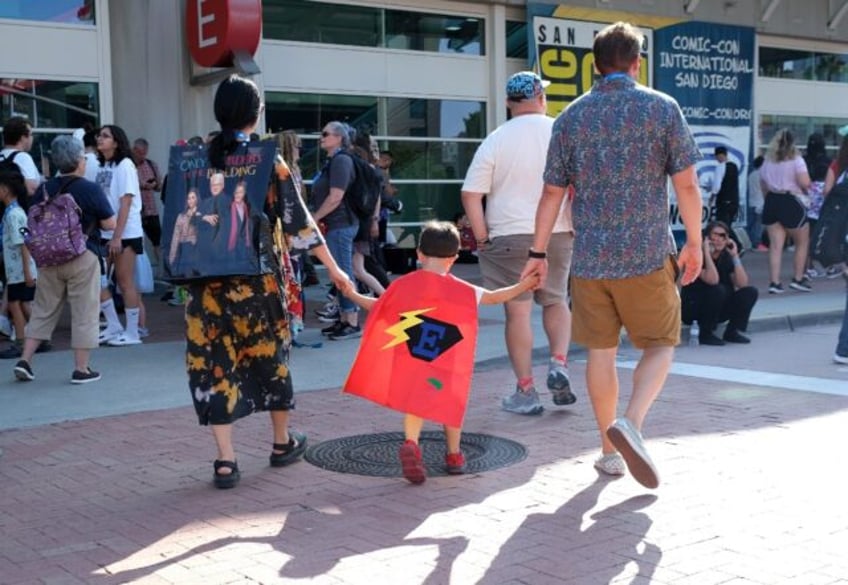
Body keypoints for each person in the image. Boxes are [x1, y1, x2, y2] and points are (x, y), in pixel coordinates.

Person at [522, 22, 703, 489]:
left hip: (590, 260)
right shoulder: (662, 109)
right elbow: (685, 183)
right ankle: (633, 423)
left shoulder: (571, 119)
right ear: (637, 62)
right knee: (661, 343)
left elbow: (551, 194)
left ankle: (609, 452)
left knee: (600, 353)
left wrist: (537, 252)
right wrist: (696, 241)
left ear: (595, 65)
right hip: (646, 253)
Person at [187, 74, 349, 489]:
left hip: (204, 283)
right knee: (270, 356)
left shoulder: (194, 158)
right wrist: (334, 270)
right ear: (255, 113)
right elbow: (299, 226)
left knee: (213, 363)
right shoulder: (266, 159)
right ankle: (281, 443)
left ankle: (225, 460)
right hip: (256, 282)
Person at [340, 221, 540, 484]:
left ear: (419, 254)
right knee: (451, 405)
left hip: (413, 358)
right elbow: (496, 297)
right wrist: (524, 285)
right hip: (448, 362)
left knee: (416, 402)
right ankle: (454, 455)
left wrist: (351, 294)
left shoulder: (404, 285)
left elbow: (377, 306)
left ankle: (412, 441)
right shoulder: (464, 289)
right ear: (454, 258)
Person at [462, 70, 576, 415]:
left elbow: (471, 194)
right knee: (556, 301)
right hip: (556, 232)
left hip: (508, 234)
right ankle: (558, 363)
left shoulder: (496, 139)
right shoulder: (561, 131)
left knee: (518, 312)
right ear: (541, 98)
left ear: (509, 103)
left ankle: (526, 391)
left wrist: (482, 237)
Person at [12, 135, 116, 383]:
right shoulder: (89, 188)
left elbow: (29, 225)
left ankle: (25, 360)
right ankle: (81, 369)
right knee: (84, 311)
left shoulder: (44, 189)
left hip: (48, 259)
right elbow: (110, 223)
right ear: (79, 160)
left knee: (43, 310)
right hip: (82, 255)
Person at [95, 124, 146, 346]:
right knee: (97, 280)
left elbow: (126, 203)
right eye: (99, 135)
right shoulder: (103, 165)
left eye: (105, 136)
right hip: (105, 232)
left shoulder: (125, 165)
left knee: (125, 283)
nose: (100, 139)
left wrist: (117, 236)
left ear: (116, 141)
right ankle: (114, 325)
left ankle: (133, 332)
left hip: (125, 232)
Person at [311, 121, 361, 340]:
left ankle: (352, 321)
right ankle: (343, 319)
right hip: (335, 225)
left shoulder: (341, 161)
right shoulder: (333, 161)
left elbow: (336, 197)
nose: (321, 137)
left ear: (339, 138)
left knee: (343, 273)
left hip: (341, 225)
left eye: (325, 134)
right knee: (338, 273)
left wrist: (315, 217)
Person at [682, 221, 758, 345]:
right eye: (715, 235)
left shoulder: (726, 257)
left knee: (750, 292)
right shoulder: (694, 257)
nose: (719, 239)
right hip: (693, 310)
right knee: (718, 289)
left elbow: (742, 284)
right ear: (706, 238)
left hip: (717, 309)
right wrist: (706, 253)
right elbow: (713, 280)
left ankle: (732, 332)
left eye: (723, 236)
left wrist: (735, 256)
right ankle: (705, 334)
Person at [759, 129, 812, 294]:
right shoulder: (797, 160)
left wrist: (769, 198)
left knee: (775, 246)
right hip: (790, 200)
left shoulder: (767, 162)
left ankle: (774, 282)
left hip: (772, 201)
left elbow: (763, 185)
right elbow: (805, 182)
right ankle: (798, 278)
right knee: (802, 242)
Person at [0, 166, 37, 359]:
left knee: (17, 304)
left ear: (5, 189)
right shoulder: (15, 212)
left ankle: (24, 341)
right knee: (21, 304)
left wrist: (27, 271)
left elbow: (24, 243)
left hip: (19, 271)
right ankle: (36, 338)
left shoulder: (14, 215)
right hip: (18, 270)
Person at [132, 138, 163, 270]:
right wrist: (141, 185)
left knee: (158, 242)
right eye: (139, 153)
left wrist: (155, 184)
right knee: (135, 243)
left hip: (150, 210)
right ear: (134, 150)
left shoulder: (151, 165)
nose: (142, 156)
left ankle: (163, 270)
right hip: (134, 211)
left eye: (144, 153)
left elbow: (160, 186)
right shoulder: (128, 165)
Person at [1, 116, 42, 197]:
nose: (32, 138)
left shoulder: (1, 156)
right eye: (31, 135)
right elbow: (31, 189)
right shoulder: (23, 157)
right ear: (22, 138)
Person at [168, 187, 201, 277]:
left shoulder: (201, 214)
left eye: (193, 197)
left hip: (196, 251)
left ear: (197, 199)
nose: (190, 200)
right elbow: (176, 237)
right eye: (188, 198)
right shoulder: (181, 216)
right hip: (183, 252)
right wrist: (172, 257)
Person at [710, 146, 740, 231]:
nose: (716, 159)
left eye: (716, 157)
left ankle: (737, 243)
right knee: (728, 226)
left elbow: (716, 187)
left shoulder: (720, 167)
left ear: (720, 155)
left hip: (723, 202)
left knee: (722, 227)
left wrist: (711, 198)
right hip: (734, 201)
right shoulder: (734, 166)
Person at [747, 155, 766, 251]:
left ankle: (750, 243)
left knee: (752, 224)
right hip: (760, 203)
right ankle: (757, 244)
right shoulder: (763, 175)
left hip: (752, 202)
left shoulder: (751, 174)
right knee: (759, 226)